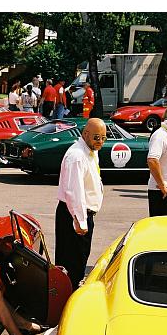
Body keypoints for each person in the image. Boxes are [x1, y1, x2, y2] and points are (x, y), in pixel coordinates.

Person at [55, 118, 105, 291]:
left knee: (80, 261)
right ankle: (67, 302)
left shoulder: (90, 151)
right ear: (85, 134)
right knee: (72, 264)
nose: (100, 142)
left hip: (83, 214)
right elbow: (74, 192)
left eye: (103, 138)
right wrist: (80, 221)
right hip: (74, 215)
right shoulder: (77, 156)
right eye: (97, 137)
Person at [146, 107, 167, 217]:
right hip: (161, 191)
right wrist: (162, 185)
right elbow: (152, 160)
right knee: (160, 229)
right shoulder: (160, 135)